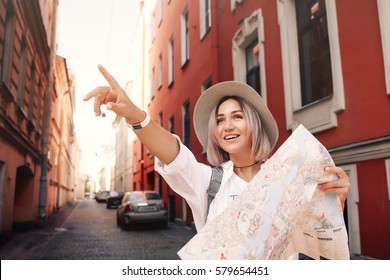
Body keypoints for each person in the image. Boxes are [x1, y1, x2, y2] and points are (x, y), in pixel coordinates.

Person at [83, 65, 351, 254]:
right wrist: (134, 116)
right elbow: (175, 154)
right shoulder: (209, 182)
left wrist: (334, 201)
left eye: (237, 116)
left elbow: (320, 238)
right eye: (220, 120)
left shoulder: (287, 179)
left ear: (254, 123)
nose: (227, 126)